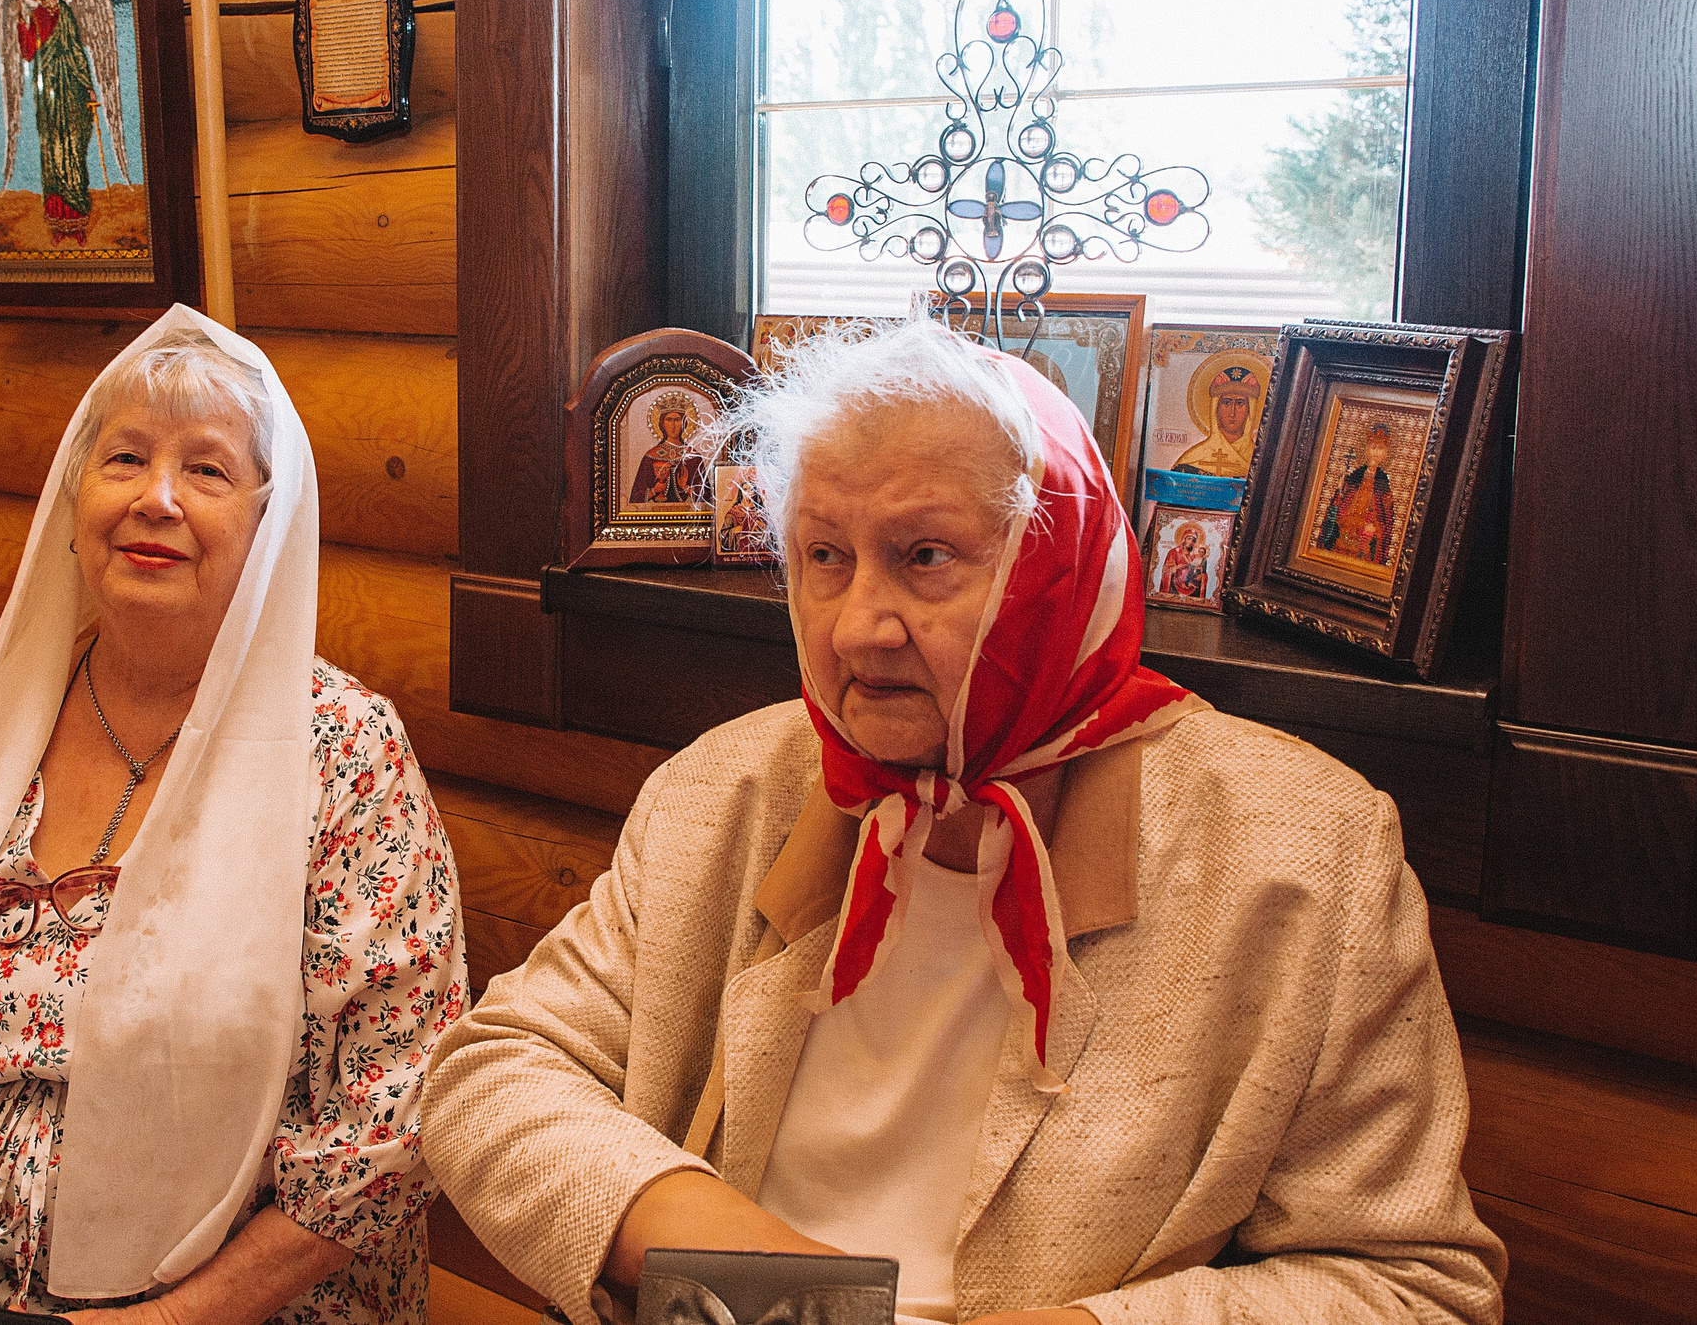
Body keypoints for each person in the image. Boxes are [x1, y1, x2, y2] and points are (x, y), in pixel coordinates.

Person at [421, 317, 1502, 1325]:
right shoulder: (727, 787)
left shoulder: (1302, 851)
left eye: (924, 556)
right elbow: (495, 1069)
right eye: (824, 556)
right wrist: (756, 1277)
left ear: (1057, 568)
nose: (857, 629)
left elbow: (1408, 1283)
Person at [0, 309, 466, 1325]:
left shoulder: (343, 757)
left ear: (268, 524)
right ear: (73, 497)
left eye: (208, 471)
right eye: (124, 457)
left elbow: (394, 1121)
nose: (156, 499)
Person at [15, 0, 97, 245]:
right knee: (53, 152)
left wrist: (87, 83)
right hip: (48, 90)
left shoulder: (66, 14)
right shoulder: (37, 15)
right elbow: (28, 53)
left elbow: (76, 51)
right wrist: (22, 26)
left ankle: (77, 223)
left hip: (71, 90)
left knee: (73, 150)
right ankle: (58, 224)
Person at [1317, 421, 1400, 567]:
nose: (1375, 452)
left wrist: (1374, 528)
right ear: (1366, 449)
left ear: (1386, 453)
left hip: (1365, 541)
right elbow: (1338, 509)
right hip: (1344, 533)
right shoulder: (1353, 479)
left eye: (1380, 448)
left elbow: (1385, 521)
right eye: (1373, 447)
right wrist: (1339, 494)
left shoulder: (1383, 485)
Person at [1170, 363, 1262, 479]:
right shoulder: (1190, 461)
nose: (1232, 412)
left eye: (1240, 403)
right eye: (1226, 402)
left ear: (1250, 410)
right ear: (1215, 409)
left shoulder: (1261, 462)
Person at [627, 395, 709, 508]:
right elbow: (635, 497)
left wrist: (685, 488)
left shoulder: (693, 456)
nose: (673, 425)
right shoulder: (651, 456)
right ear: (662, 423)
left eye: (677, 420)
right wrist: (654, 491)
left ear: (683, 423)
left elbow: (707, 497)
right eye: (669, 420)